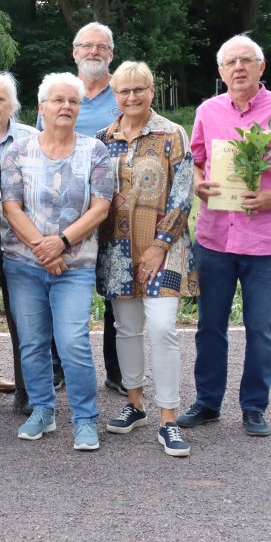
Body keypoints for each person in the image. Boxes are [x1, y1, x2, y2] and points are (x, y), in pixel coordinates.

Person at [179, 35, 271, 437]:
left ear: (262, 67)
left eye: (246, 60)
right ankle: (207, 403)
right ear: (221, 71)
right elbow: (197, 162)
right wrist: (199, 184)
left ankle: (254, 407)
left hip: (266, 243)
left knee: (261, 329)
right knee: (209, 326)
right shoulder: (208, 111)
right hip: (214, 241)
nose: (238, 68)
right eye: (230, 62)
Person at [3, 73, 114, 451]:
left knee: (72, 342)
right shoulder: (18, 151)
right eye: (58, 100)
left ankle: (85, 418)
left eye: (73, 101)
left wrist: (61, 243)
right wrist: (41, 248)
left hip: (75, 265)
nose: (66, 107)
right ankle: (43, 411)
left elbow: (101, 207)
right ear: (42, 108)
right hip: (24, 263)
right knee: (33, 343)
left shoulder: (95, 151)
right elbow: (10, 206)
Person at [96, 61, 197, 456]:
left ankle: (169, 418)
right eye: (124, 91)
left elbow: (183, 194)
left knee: (162, 328)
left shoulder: (172, 134)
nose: (132, 97)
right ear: (114, 95)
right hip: (117, 248)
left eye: (139, 89)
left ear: (152, 91)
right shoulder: (103, 138)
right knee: (126, 327)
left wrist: (160, 244)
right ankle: (135, 403)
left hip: (163, 247)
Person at [36, 21, 125, 395]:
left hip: (112, 209)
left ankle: (118, 372)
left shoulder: (121, 94)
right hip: (62, 217)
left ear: (110, 54)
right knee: (59, 286)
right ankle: (56, 367)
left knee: (115, 293)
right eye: (86, 46)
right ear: (74, 52)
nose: (93, 52)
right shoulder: (59, 93)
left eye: (100, 47)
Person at [0, 72, 37, 407]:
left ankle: (27, 392)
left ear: (12, 103)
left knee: (24, 318)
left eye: (0, 99)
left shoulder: (32, 138)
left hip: (20, 241)